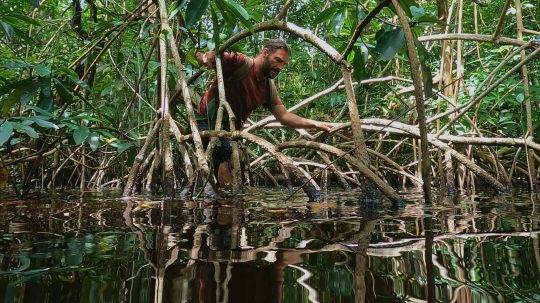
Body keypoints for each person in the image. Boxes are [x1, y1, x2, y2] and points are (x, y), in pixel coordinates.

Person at [195, 39, 333, 186]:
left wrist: (316, 124)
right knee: (226, 152)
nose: (280, 67)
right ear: (265, 52)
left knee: (235, 163)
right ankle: (228, 205)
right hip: (206, 123)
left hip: (231, 132)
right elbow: (200, 55)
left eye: (283, 64)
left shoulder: (268, 88)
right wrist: (206, 57)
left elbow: (284, 116)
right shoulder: (241, 62)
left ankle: (224, 202)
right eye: (278, 60)